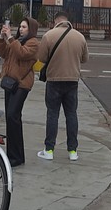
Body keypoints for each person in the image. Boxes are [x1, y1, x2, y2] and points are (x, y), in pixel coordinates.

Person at [35, 11, 88, 162]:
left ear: (56, 21)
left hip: (54, 81)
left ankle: (49, 150)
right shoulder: (80, 37)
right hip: (72, 81)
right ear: (67, 21)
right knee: (71, 114)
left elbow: (41, 58)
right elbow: (84, 59)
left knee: (52, 114)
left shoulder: (49, 36)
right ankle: (73, 151)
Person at [0, 16, 40, 167]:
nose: (21, 29)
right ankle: (14, 155)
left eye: (24, 27)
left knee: (12, 115)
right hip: (10, 83)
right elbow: (2, 52)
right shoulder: (16, 41)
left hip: (22, 84)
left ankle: (16, 156)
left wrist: (10, 38)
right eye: (20, 26)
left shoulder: (33, 43)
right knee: (11, 117)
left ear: (31, 29)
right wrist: (1, 38)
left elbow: (21, 53)